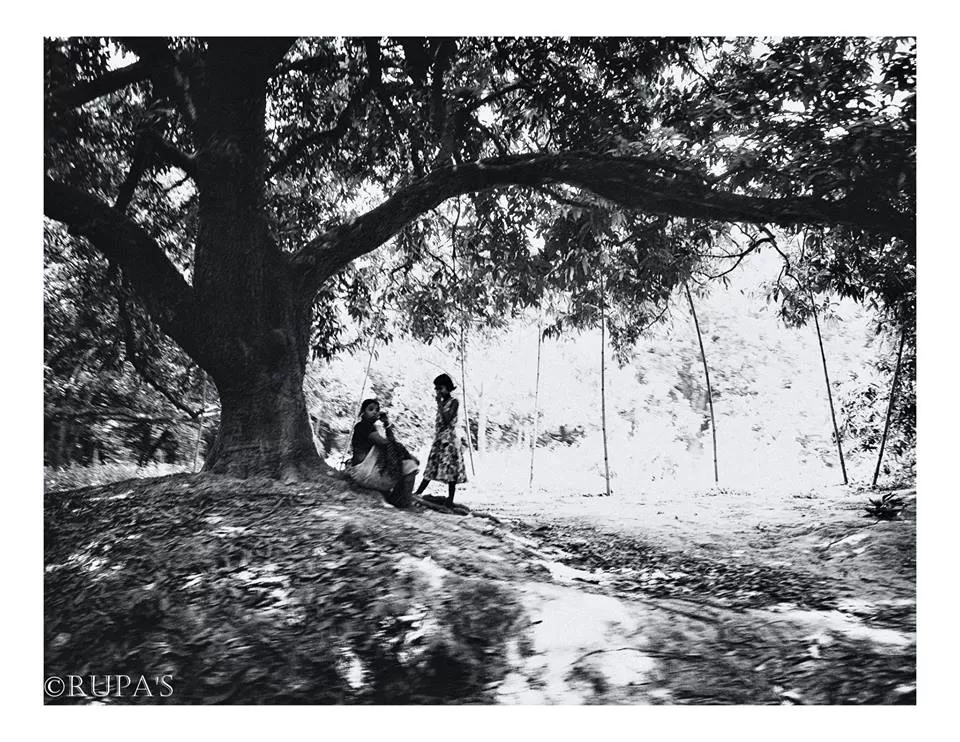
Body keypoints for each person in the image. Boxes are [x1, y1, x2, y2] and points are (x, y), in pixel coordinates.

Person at [346, 398, 419, 508]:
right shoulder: (362, 426)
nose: (375, 412)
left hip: (373, 472)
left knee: (406, 464)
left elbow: (390, 443)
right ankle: (405, 503)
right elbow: (385, 443)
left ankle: (397, 500)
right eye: (371, 409)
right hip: (365, 473)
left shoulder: (376, 428)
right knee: (411, 465)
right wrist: (408, 455)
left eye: (377, 410)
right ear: (363, 412)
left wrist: (386, 424)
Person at [414, 373, 467, 505]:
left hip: (449, 441)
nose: (438, 391)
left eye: (440, 388)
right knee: (431, 466)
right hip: (439, 439)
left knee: (450, 469)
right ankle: (418, 493)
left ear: (448, 388)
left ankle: (450, 499)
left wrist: (439, 404)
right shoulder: (443, 403)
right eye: (436, 388)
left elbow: (447, 419)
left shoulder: (454, 402)